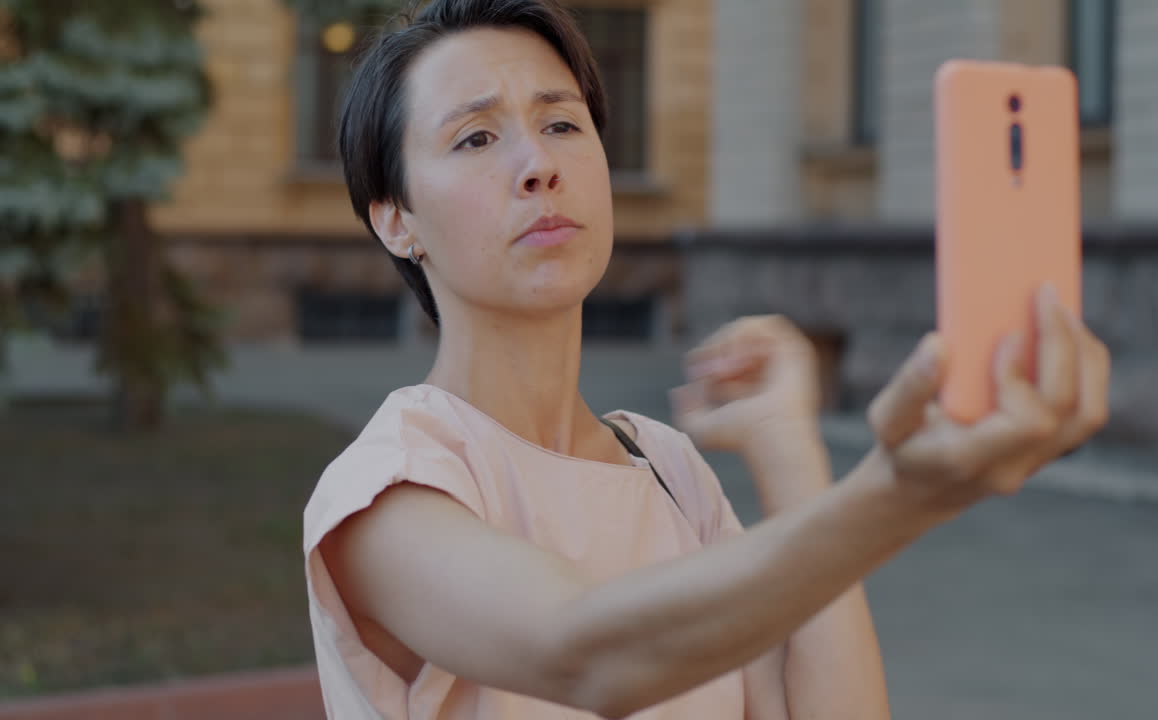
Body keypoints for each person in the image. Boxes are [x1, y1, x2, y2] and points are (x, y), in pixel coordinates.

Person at [301, 0, 1112, 718]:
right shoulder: (385, 490)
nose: (539, 165)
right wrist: (900, 494)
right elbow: (586, 657)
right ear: (396, 220)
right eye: (476, 137)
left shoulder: (667, 470)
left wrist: (787, 450)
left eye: (562, 124)